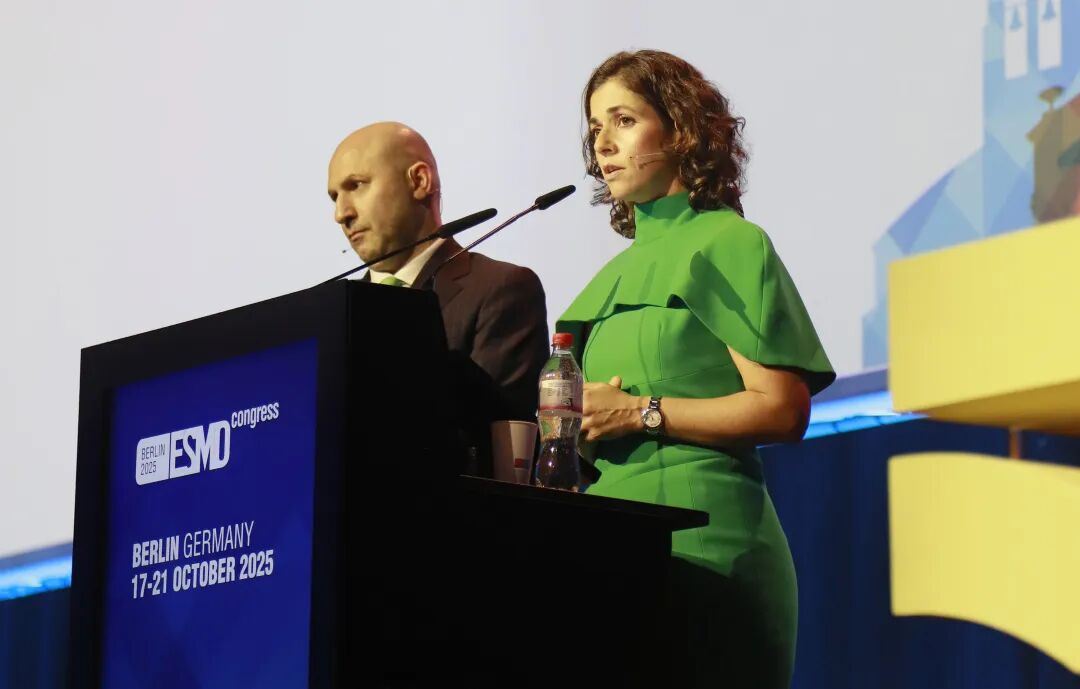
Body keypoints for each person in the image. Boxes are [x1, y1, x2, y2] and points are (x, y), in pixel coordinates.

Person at [557, 51, 835, 688]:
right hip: (610, 550)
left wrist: (640, 413)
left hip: (708, 548)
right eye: (595, 128)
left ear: (680, 128)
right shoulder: (610, 275)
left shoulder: (728, 242)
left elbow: (783, 408)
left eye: (624, 120)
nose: (603, 143)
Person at [328, 122, 550, 471]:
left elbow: (498, 447)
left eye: (356, 185)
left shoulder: (501, 289)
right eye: (334, 197)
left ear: (419, 181)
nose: (341, 214)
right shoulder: (336, 312)